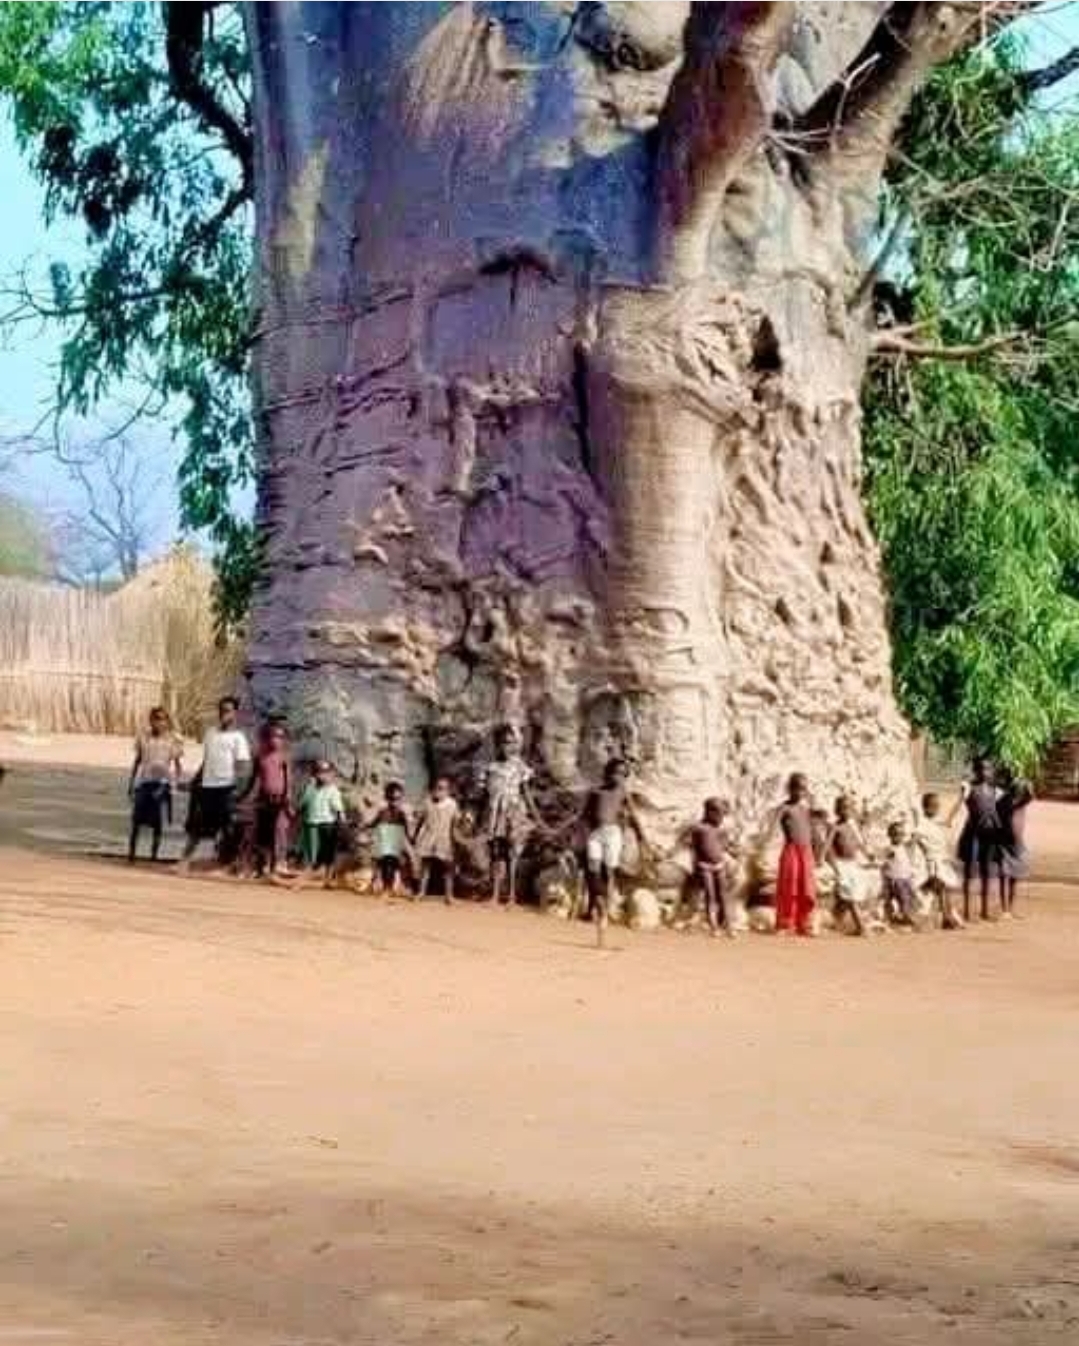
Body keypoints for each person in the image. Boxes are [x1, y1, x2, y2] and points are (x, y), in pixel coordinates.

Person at [178, 697, 251, 873]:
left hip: (226, 787)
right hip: (207, 787)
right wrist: (194, 781)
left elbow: (243, 765)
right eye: (221, 710)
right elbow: (206, 761)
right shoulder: (210, 733)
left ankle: (230, 864)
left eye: (228, 710)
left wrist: (238, 789)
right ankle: (184, 861)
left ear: (235, 713)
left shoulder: (238, 737)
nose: (224, 714)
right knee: (197, 826)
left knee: (228, 827)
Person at [581, 758, 646, 948]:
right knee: (592, 868)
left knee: (609, 871)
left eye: (622, 774)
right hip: (596, 834)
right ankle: (598, 901)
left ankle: (605, 907)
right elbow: (585, 815)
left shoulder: (623, 793)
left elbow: (633, 815)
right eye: (615, 772)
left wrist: (643, 838)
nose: (617, 777)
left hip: (613, 833)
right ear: (607, 773)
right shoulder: (595, 792)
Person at [480, 723, 537, 906]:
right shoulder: (491, 768)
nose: (509, 747)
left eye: (512, 743)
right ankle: (495, 894)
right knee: (496, 853)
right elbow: (484, 795)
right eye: (505, 743)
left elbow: (526, 792)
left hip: (513, 812)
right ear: (498, 744)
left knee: (513, 854)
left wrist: (535, 816)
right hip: (495, 814)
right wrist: (481, 818)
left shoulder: (519, 767)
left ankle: (511, 896)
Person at [128, 706, 183, 863]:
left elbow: (178, 765)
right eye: (156, 718)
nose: (159, 722)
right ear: (151, 720)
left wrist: (173, 784)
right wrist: (131, 783)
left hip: (162, 783)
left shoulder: (173, 740)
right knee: (136, 820)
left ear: (167, 721)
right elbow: (137, 761)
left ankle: (154, 855)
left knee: (156, 820)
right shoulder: (143, 738)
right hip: (144, 781)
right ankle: (131, 855)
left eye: (162, 719)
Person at [954, 757, 1001, 922]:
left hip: (989, 835)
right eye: (981, 769)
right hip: (972, 834)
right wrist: (948, 819)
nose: (984, 772)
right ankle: (967, 910)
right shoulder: (969, 788)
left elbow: (995, 812)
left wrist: (1000, 831)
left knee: (987, 872)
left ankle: (985, 910)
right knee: (970, 872)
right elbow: (958, 804)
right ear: (975, 770)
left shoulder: (994, 790)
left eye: (988, 769)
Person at [246, 721, 293, 879]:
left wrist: (287, 798)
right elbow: (253, 779)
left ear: (284, 740)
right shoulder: (260, 756)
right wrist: (245, 795)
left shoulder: (284, 757)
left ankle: (275, 866)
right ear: (266, 738)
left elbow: (288, 779)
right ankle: (260, 867)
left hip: (279, 800)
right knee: (261, 833)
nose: (275, 740)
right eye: (272, 736)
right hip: (263, 798)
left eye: (279, 737)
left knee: (276, 833)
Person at [688, 797, 739, 938]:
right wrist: (694, 866)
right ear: (709, 812)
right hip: (704, 866)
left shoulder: (720, 830)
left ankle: (728, 925)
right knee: (710, 896)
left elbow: (724, 846)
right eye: (719, 814)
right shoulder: (699, 828)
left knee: (724, 895)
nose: (721, 818)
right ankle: (713, 926)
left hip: (720, 865)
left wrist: (734, 852)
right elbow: (693, 848)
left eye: (723, 815)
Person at [774, 773, 816, 936]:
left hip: (806, 851)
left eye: (803, 789)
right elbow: (771, 827)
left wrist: (817, 854)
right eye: (797, 788)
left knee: (806, 887)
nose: (800, 792)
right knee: (789, 886)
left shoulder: (805, 810)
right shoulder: (784, 808)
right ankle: (786, 923)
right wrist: (764, 843)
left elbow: (812, 832)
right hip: (791, 850)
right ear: (789, 789)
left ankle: (804, 923)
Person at [913, 792, 964, 930]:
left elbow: (950, 818)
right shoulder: (922, 824)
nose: (936, 808)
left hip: (942, 861)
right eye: (933, 806)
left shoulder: (936, 821)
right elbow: (914, 839)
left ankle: (945, 917)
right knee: (939, 888)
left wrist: (961, 797)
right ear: (926, 808)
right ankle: (943, 917)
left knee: (942, 890)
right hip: (933, 863)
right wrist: (921, 850)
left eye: (937, 806)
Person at [826, 794, 874, 936]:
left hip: (853, 864)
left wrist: (867, 854)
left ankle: (834, 924)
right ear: (836, 810)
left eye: (849, 808)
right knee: (850, 896)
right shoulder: (835, 827)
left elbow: (858, 843)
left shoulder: (852, 826)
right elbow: (827, 845)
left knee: (844, 899)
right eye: (842, 808)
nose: (846, 811)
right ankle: (861, 927)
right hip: (841, 865)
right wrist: (822, 859)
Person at [413, 776, 460, 904]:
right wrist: (415, 834)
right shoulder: (427, 802)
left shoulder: (452, 804)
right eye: (437, 787)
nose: (439, 790)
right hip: (429, 838)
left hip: (445, 840)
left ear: (448, 791)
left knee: (448, 869)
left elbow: (455, 823)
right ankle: (421, 892)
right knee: (426, 867)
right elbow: (420, 819)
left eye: (442, 788)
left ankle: (449, 896)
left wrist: (455, 840)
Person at [299, 760, 345, 886]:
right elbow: (303, 804)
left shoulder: (333, 790)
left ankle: (328, 877)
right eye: (318, 772)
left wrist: (341, 823)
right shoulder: (309, 788)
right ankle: (312, 873)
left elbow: (339, 809)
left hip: (327, 825)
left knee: (328, 852)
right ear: (314, 774)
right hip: (311, 824)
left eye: (325, 773)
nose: (321, 776)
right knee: (312, 852)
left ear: (331, 774)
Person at [996, 768, 1034, 919]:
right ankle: (1006, 909)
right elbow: (1029, 796)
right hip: (1007, 841)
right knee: (1008, 876)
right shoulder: (1008, 803)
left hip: (1013, 841)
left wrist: (1024, 781)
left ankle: (1008, 909)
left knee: (1010, 876)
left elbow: (1029, 796)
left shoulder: (1012, 803)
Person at [370, 781, 411, 895]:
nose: (395, 802)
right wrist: (365, 827)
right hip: (384, 842)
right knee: (383, 863)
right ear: (387, 798)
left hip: (396, 843)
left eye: (398, 799)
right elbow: (374, 823)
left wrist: (410, 839)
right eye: (392, 799)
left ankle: (393, 887)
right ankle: (385, 886)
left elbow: (406, 827)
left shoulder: (401, 814)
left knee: (395, 863)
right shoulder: (383, 812)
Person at [881, 820, 919, 927]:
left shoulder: (903, 846)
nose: (899, 837)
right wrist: (885, 879)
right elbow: (884, 862)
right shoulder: (890, 849)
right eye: (896, 834)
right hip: (895, 880)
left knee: (909, 899)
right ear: (890, 835)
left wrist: (915, 836)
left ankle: (903, 917)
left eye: (902, 834)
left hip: (906, 879)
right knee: (902, 900)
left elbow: (912, 843)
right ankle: (904, 918)